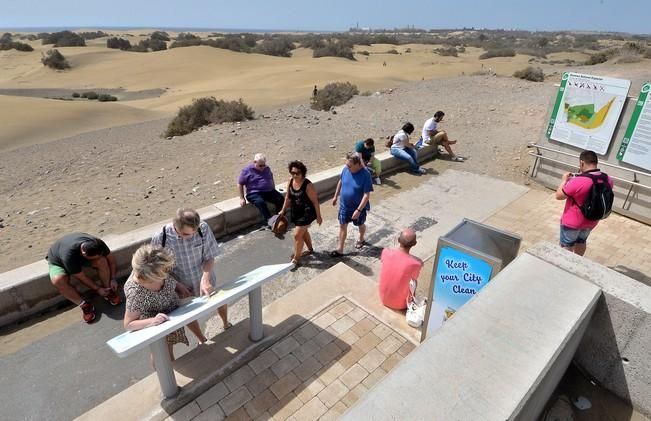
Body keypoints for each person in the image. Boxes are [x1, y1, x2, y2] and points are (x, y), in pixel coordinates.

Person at [124, 245, 207, 360]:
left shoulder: (150, 266)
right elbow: (128, 324)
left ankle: (202, 338)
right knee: (164, 350)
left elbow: (166, 276)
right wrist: (153, 321)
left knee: (188, 316)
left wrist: (178, 285)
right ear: (150, 277)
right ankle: (168, 370)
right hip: (158, 319)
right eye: (163, 273)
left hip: (171, 303)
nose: (166, 273)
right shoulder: (135, 293)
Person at [151, 208, 231, 329]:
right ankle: (201, 339)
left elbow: (209, 257)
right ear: (175, 226)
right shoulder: (160, 238)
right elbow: (158, 269)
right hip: (180, 286)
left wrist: (205, 279)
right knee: (188, 315)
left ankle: (225, 323)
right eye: (186, 234)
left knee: (219, 302)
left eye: (194, 233)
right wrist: (176, 285)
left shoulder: (203, 228)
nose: (191, 237)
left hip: (205, 277)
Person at [46, 233, 121, 323]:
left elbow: (111, 261)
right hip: (58, 260)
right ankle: (84, 305)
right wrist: (97, 289)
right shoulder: (68, 256)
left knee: (102, 261)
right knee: (58, 281)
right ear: (84, 254)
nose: (96, 259)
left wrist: (113, 279)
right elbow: (81, 277)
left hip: (78, 255)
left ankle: (108, 290)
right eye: (93, 258)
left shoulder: (98, 244)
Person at [555, 150, 613, 256]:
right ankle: (578, 262)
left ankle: (565, 267)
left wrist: (564, 180)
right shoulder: (608, 179)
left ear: (582, 162)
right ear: (596, 162)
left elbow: (559, 196)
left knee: (567, 246)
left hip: (572, 223)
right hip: (592, 221)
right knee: (581, 242)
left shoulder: (578, 181)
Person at [279, 161, 322, 268]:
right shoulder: (290, 181)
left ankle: (296, 259)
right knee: (303, 232)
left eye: (297, 173)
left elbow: (315, 201)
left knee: (297, 235)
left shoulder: (308, 185)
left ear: (302, 173)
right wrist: (283, 210)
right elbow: (288, 197)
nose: (294, 175)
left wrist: (319, 216)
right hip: (296, 211)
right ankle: (310, 250)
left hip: (307, 213)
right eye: (292, 173)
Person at [331, 152, 373, 257]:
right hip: (344, 206)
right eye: (347, 165)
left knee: (360, 224)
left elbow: (366, 195)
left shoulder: (365, 174)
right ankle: (340, 249)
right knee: (342, 226)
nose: (347, 167)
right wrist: (336, 196)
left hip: (357, 208)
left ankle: (361, 238)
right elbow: (340, 181)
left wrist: (358, 210)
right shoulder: (346, 169)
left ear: (358, 164)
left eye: (350, 166)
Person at [378, 228, 423, 310]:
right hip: (400, 305)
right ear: (414, 244)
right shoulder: (416, 264)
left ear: (398, 240)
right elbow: (413, 279)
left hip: (383, 298)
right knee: (414, 282)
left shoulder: (386, 252)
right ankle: (409, 300)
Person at [238, 153, 285, 227]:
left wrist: (273, 188)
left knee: (280, 199)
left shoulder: (267, 168)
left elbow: (271, 177)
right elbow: (240, 184)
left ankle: (278, 219)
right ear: (254, 162)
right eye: (260, 165)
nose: (263, 167)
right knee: (261, 202)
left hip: (268, 191)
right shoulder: (246, 170)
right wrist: (241, 198)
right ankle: (269, 221)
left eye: (264, 165)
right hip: (254, 193)